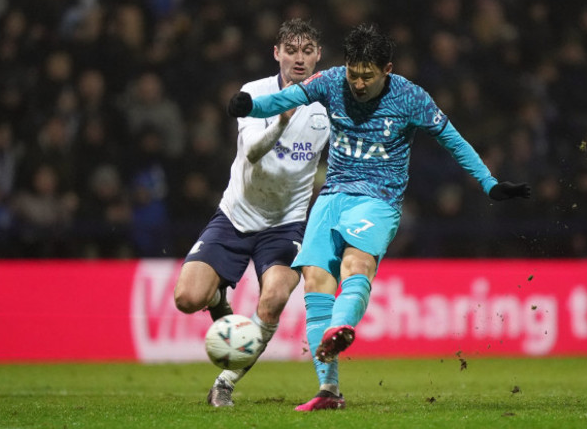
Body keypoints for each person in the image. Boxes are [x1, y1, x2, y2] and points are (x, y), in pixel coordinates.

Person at [227, 23, 531, 411]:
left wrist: (489, 184)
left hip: (378, 200)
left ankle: (342, 326)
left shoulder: (410, 97)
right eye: (354, 73)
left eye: (367, 76)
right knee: (315, 279)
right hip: (333, 195)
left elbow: (452, 139)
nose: (357, 83)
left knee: (356, 263)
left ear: (387, 69)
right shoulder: (332, 80)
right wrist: (249, 105)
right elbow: (288, 98)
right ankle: (329, 390)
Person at [173, 18, 330, 407]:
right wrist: (282, 120)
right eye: (290, 51)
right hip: (235, 217)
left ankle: (224, 384)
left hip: (286, 224)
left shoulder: (329, 103)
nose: (298, 59)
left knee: (274, 298)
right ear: (276, 53)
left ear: (318, 57)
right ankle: (216, 298)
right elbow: (253, 153)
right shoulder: (254, 93)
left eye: (307, 51)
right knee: (187, 298)